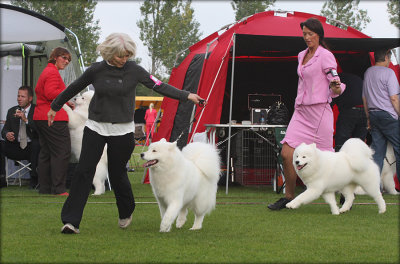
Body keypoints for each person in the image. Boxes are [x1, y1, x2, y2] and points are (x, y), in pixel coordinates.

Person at [47, 33, 205, 234]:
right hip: (96, 126)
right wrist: (55, 106)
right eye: (121, 55)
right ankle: (71, 222)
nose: (124, 59)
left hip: (123, 130)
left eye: (128, 55)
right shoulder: (95, 70)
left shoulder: (136, 70)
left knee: (117, 171)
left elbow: (159, 86)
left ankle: (126, 210)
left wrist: (187, 95)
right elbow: (74, 87)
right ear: (110, 53)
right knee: (83, 171)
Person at [268, 18, 345, 210]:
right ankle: (288, 197)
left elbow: (334, 79)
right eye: (304, 34)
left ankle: (345, 191)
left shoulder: (326, 55)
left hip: (319, 112)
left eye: (311, 34)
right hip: (301, 111)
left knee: (328, 159)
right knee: (286, 154)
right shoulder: (301, 55)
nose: (307, 37)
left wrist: (336, 86)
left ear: (319, 35)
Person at [33, 47, 71, 196]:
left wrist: (66, 102)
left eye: (68, 60)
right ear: (55, 57)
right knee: (62, 152)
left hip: (40, 116)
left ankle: (45, 188)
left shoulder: (48, 71)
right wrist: (67, 96)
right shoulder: (52, 72)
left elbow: (47, 94)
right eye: (64, 58)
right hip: (52, 118)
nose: (66, 61)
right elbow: (51, 93)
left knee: (46, 154)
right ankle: (59, 189)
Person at [362, 48, 400, 186]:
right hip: (388, 115)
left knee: (377, 151)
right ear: (385, 57)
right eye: (389, 58)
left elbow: (365, 97)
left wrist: (368, 117)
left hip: (373, 114)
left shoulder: (368, 72)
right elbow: (394, 98)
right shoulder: (389, 73)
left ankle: (374, 185)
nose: (390, 61)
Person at [1, 86, 40, 188]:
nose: (19, 98)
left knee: (37, 144)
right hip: (15, 146)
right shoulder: (11, 111)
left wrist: (25, 120)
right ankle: (2, 178)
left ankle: (34, 179)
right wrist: (7, 134)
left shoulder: (37, 110)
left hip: (31, 147)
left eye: (23, 96)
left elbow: (39, 130)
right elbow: (4, 130)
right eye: (18, 96)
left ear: (30, 98)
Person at [332, 72, 368, 152]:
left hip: (349, 109)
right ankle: (358, 163)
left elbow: (332, 97)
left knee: (342, 142)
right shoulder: (353, 77)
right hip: (364, 109)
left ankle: (340, 163)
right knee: (359, 143)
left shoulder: (333, 79)